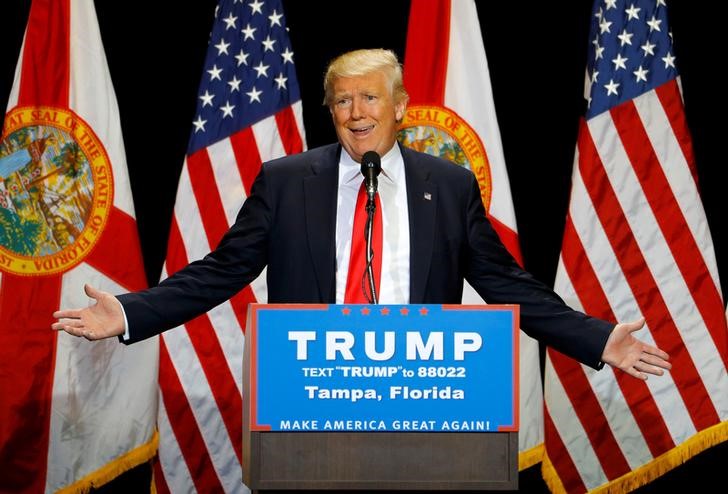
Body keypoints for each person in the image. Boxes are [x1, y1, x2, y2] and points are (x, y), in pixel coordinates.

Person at [52, 48, 670, 380]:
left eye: (369, 96)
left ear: (399, 106)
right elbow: (221, 270)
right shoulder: (286, 181)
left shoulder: (448, 186)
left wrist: (596, 338)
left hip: (424, 397)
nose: (355, 111)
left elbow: (509, 286)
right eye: (342, 101)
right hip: (309, 396)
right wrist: (132, 311)